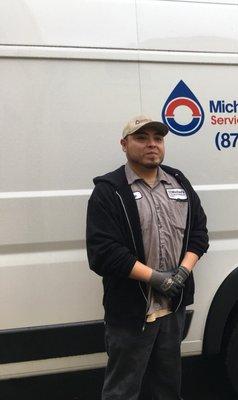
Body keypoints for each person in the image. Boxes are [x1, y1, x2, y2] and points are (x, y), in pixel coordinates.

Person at [86, 115, 209, 400]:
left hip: (172, 309)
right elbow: (103, 252)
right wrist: (155, 278)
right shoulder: (110, 191)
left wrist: (181, 274)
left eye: (158, 138)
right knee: (123, 390)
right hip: (131, 313)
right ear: (124, 144)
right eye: (142, 138)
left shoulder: (178, 181)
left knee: (167, 388)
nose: (152, 144)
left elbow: (199, 233)